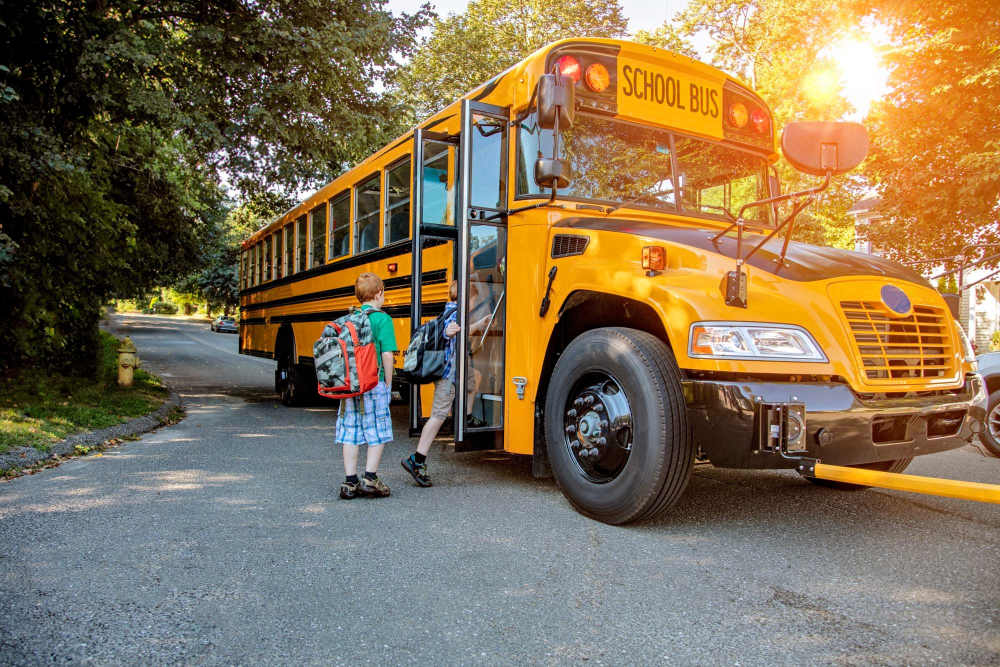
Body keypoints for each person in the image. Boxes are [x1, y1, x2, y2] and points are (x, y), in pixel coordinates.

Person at [401, 280, 485, 487]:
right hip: (447, 374)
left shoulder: (449, 310)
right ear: (467, 298)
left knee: (473, 379)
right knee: (438, 415)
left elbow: (459, 330)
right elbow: (451, 330)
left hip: (451, 371)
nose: (474, 303)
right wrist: (450, 332)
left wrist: (478, 325)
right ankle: (417, 459)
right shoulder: (456, 315)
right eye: (474, 299)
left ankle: (466, 416)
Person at [337, 272, 398, 499]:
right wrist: (388, 384)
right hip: (374, 382)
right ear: (379, 293)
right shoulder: (383, 319)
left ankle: (350, 482)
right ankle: (370, 478)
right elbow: (388, 355)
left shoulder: (349, 318)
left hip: (350, 384)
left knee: (350, 431)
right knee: (377, 430)